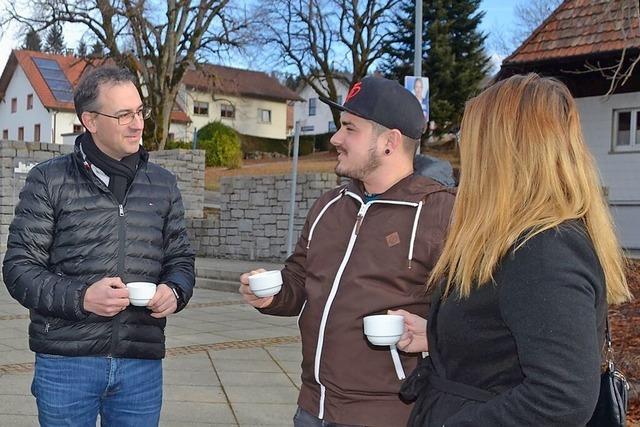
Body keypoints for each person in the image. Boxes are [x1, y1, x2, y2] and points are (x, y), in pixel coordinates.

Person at [392, 73, 632, 426]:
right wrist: (435, 335)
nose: (463, 152)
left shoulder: (546, 248)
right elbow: (508, 340)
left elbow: (562, 398)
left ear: (502, 152)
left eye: (469, 139)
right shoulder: (517, 237)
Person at [239, 76, 455, 427]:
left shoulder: (442, 213)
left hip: (387, 415)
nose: (335, 138)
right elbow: (297, 280)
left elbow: (478, 313)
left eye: (349, 129)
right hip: (312, 408)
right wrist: (271, 295)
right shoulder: (330, 205)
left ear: (389, 141)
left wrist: (433, 334)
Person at [2, 65, 195, 427]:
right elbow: (19, 269)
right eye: (123, 115)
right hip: (66, 362)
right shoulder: (48, 179)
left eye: (140, 111)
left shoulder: (163, 184)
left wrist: (175, 290)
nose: (138, 124)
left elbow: (181, 259)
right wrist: (82, 297)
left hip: (141, 362)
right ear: (89, 120)